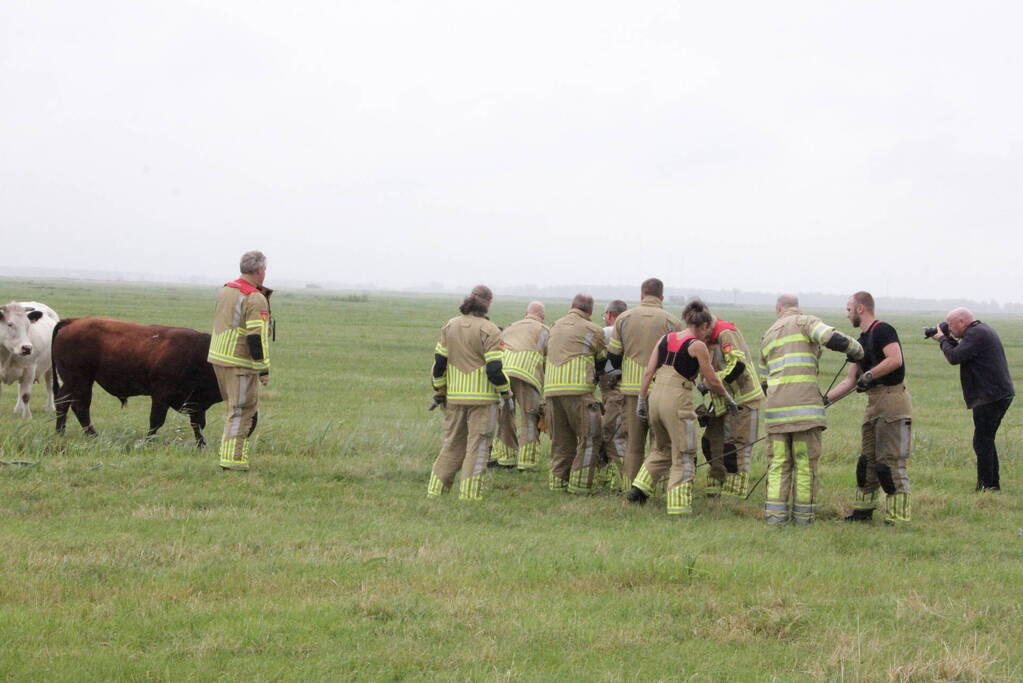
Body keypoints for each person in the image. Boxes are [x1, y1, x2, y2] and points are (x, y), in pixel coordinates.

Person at [759, 294, 864, 525]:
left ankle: (775, 518)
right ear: (796, 308)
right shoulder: (805, 322)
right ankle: (803, 520)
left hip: (775, 415)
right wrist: (858, 350)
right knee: (805, 465)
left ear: (778, 309)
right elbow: (832, 338)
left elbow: (765, 382)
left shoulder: (768, 335)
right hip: (804, 413)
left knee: (778, 465)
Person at [627, 300, 734, 514]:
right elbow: (711, 379)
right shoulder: (697, 345)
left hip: (655, 398)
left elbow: (649, 371)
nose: (707, 334)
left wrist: (641, 400)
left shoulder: (666, 339)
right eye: (707, 330)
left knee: (662, 449)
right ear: (703, 326)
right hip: (677, 401)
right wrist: (728, 398)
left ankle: (638, 491)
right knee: (684, 453)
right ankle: (678, 507)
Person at [826, 292, 912, 524]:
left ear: (861, 308)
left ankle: (898, 518)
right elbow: (849, 380)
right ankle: (862, 512)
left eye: (848, 309)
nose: (847, 314)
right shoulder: (860, 341)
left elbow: (895, 359)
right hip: (873, 403)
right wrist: (823, 401)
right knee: (867, 462)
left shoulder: (883, 329)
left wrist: (871, 374)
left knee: (889, 462)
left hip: (893, 400)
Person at [427, 285, 513, 500]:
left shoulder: (449, 326)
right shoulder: (490, 330)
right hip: (483, 401)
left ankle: (435, 492)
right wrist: (506, 393)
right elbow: (494, 370)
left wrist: (440, 389)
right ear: (489, 303)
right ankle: (470, 496)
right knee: (478, 446)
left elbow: (439, 364)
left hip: (454, 398)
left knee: (452, 446)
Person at [607, 278, 683, 485]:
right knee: (660, 445)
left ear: (641, 296)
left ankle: (629, 485)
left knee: (633, 443)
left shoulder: (623, 319)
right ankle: (653, 486)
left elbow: (613, 357)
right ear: (662, 297)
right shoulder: (672, 322)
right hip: (660, 391)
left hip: (631, 390)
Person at [931, 307, 1014, 491]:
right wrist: (948, 339)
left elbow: (954, 357)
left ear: (962, 322)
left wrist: (943, 339)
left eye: (951, 325)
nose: (950, 329)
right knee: (985, 439)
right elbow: (961, 351)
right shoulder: (980, 331)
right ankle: (991, 484)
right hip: (995, 394)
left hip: (991, 396)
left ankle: (986, 485)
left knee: (982, 440)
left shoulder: (977, 334)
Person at [207, 250, 273, 471]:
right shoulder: (255, 297)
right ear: (259, 270)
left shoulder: (226, 290)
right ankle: (232, 462)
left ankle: (231, 458)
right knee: (242, 411)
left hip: (219, 358)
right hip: (240, 363)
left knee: (233, 410)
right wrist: (262, 369)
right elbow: (255, 336)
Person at [544, 294, 607, 493]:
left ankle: (557, 484)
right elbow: (602, 360)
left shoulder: (554, 327)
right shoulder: (594, 330)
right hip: (579, 391)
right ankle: (579, 486)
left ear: (572, 306)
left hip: (551, 390)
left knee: (561, 440)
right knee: (590, 437)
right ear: (590, 311)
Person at [700, 313, 764, 498]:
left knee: (735, 448)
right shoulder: (706, 338)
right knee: (710, 443)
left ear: (705, 326)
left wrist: (711, 381)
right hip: (721, 400)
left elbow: (738, 366)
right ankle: (714, 487)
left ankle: (733, 495)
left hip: (742, 399)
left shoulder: (726, 333)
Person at [493, 301, 549, 472]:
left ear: (526, 313)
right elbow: (548, 358)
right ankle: (527, 463)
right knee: (530, 417)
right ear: (542, 316)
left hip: (504, 373)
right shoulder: (544, 330)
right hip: (528, 375)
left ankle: (505, 459)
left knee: (505, 415)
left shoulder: (510, 327)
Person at [597, 300, 628, 490]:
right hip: (627, 392)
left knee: (613, 436)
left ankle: (628, 481)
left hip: (616, 394)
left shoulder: (609, 332)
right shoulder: (633, 333)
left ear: (609, 315)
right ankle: (605, 478)